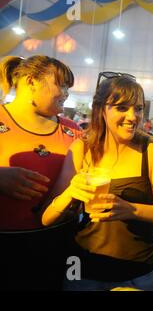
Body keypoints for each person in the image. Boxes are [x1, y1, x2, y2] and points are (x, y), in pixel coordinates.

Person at [42, 73, 153, 291]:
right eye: (122, 108)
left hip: (137, 269)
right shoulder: (82, 148)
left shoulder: (151, 149)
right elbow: (47, 218)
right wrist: (71, 191)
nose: (133, 116)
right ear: (101, 110)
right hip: (81, 266)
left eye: (139, 108)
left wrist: (130, 209)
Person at [0, 55, 81, 290]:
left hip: (56, 243)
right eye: (61, 84)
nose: (66, 93)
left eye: (68, 87)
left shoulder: (72, 130)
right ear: (31, 81)